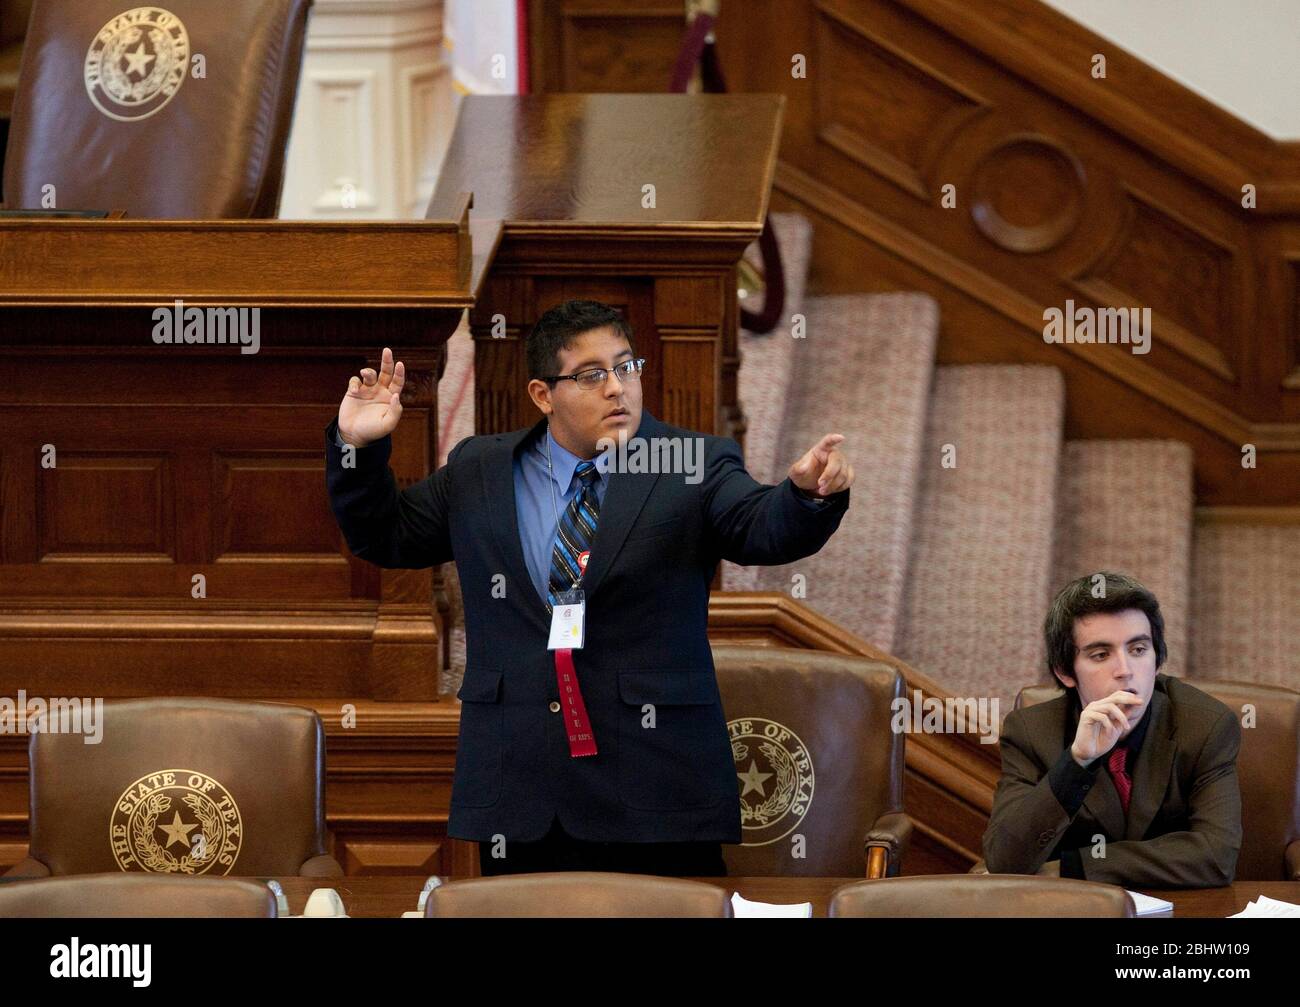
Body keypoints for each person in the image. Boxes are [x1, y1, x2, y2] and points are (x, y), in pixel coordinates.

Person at [325, 299, 853, 876]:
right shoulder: (481, 469)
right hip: (521, 790)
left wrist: (805, 497)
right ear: (542, 395)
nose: (617, 389)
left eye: (627, 367)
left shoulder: (690, 463)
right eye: (591, 375)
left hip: (656, 787)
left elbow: (761, 528)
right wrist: (359, 449)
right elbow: (386, 537)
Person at [983, 572, 1241, 888]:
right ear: (1065, 672)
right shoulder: (1031, 732)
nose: (1125, 671)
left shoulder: (1205, 726)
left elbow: (1216, 857)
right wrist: (1077, 762)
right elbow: (1005, 860)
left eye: (1138, 649)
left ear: (1157, 659)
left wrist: (1075, 866)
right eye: (1101, 655)